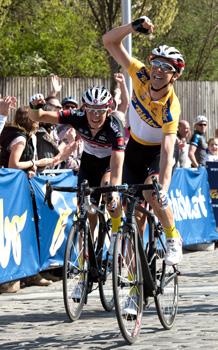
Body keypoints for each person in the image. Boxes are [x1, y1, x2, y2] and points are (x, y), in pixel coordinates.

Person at [103, 15, 185, 268]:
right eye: (156, 64)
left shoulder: (171, 105)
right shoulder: (140, 74)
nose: (159, 70)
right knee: (132, 219)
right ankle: (134, 284)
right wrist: (133, 27)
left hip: (156, 153)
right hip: (134, 149)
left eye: (166, 67)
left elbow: (168, 149)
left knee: (153, 192)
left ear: (175, 76)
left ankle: (172, 236)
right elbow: (109, 42)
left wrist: (165, 188)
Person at [28, 87, 125, 259]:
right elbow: (38, 117)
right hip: (88, 162)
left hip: (109, 163)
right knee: (88, 211)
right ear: (84, 108)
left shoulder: (114, 128)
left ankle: (117, 233)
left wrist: (115, 191)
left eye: (100, 111)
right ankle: (84, 265)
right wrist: (35, 107)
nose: (95, 115)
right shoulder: (76, 117)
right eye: (91, 110)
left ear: (108, 110)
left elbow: (117, 165)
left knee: (110, 192)